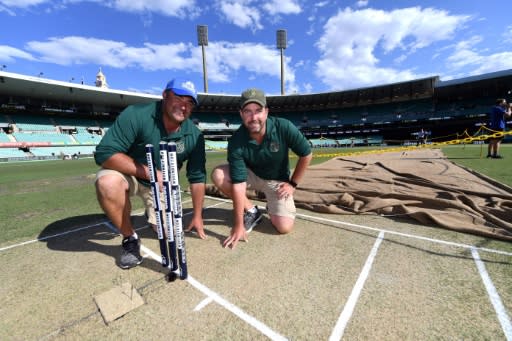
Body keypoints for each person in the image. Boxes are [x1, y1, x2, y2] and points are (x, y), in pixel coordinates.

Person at [94, 78, 207, 269]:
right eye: (179, 98)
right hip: (131, 174)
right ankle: (130, 238)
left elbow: (197, 177)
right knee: (107, 182)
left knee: (163, 230)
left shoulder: (194, 135)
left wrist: (197, 215)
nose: (183, 106)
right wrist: (151, 173)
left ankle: (152, 212)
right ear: (165, 95)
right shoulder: (137, 114)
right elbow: (104, 154)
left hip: (163, 185)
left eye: (190, 103)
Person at [211, 88, 312, 249]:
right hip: (252, 176)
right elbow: (238, 184)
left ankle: (272, 206)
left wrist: (292, 184)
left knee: (284, 227)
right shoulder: (236, 141)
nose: (253, 117)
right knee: (218, 175)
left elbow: (306, 154)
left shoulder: (283, 127)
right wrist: (238, 225)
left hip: (276, 181)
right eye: (248, 111)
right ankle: (252, 211)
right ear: (241, 114)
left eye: (258, 111)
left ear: (266, 112)